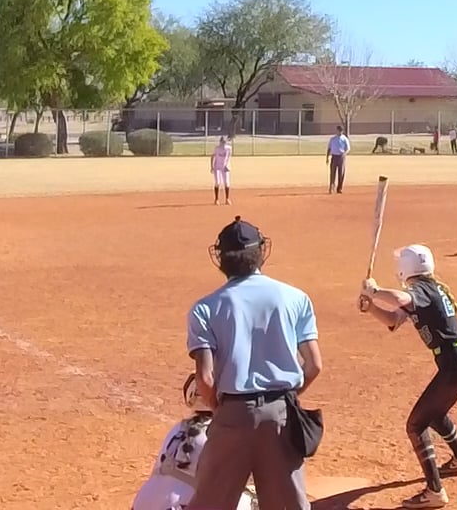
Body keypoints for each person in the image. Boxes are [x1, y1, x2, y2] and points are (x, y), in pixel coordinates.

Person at [186, 217, 323, 510]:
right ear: (261, 251)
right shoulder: (295, 298)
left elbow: (205, 379)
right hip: (281, 414)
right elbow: (313, 365)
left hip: (232, 415)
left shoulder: (205, 308)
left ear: (221, 258)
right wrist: (285, 400)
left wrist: (222, 410)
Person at [359, 245, 457, 508]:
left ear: (406, 269)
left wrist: (375, 291)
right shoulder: (430, 289)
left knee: (416, 424)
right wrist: (371, 307)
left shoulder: (422, 290)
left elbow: (400, 299)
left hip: (455, 363)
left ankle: (435, 491)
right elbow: (393, 320)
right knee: (434, 413)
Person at [133, 374, 256, 510]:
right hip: (178, 506)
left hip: (142, 503)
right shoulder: (222, 436)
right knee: (244, 499)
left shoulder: (178, 428)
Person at [327, 129, 350, 195]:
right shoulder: (333, 139)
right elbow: (329, 148)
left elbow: (348, 148)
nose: (339, 132)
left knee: (341, 173)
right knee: (332, 173)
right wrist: (327, 157)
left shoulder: (344, 139)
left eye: (341, 131)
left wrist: (344, 154)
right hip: (334, 156)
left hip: (341, 156)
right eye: (338, 131)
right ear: (336, 131)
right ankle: (331, 187)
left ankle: (339, 188)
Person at [213, 135, 234, 206]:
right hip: (217, 167)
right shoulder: (217, 148)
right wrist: (212, 166)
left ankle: (227, 199)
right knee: (217, 182)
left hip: (225, 167)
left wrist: (228, 165)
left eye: (224, 142)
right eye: (222, 142)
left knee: (226, 183)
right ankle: (216, 199)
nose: (223, 143)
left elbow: (229, 157)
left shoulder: (229, 148)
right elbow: (213, 156)